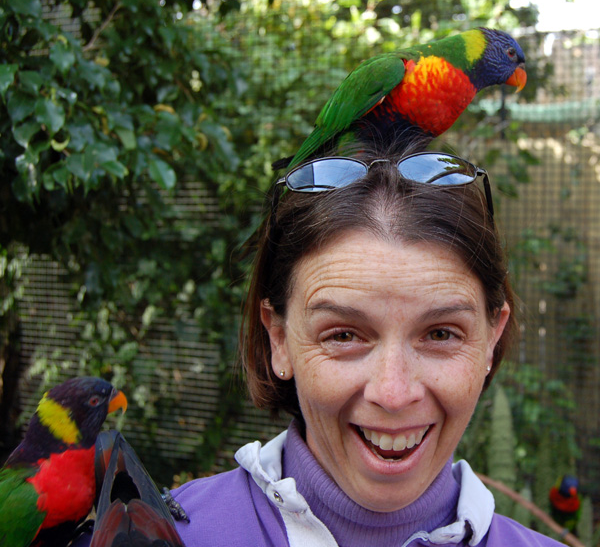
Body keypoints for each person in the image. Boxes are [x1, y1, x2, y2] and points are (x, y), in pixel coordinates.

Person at [171, 140, 565, 546]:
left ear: (491, 338)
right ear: (279, 338)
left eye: (441, 334)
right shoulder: (166, 534)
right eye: (343, 335)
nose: (393, 395)